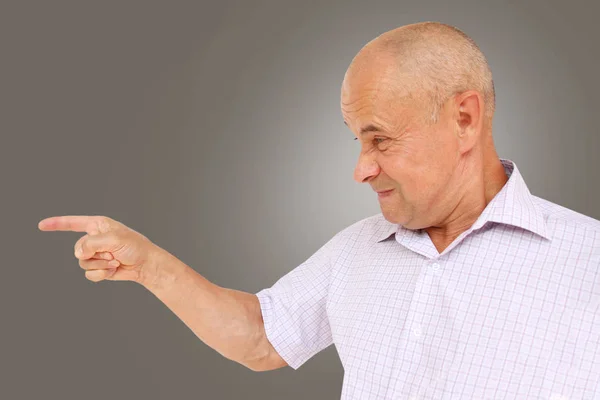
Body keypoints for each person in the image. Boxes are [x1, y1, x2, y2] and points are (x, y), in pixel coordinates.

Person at [38, 21, 600, 399]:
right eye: (356, 140)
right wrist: (148, 265)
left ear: (464, 120)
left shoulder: (588, 262)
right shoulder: (359, 247)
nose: (361, 168)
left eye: (379, 139)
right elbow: (260, 338)